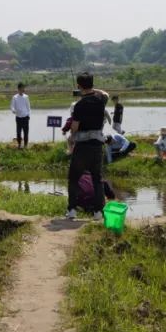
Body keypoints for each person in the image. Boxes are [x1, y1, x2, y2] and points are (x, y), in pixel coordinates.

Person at [65, 72, 110, 221]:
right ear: (92, 84)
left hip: (83, 147)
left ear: (79, 86)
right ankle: (98, 212)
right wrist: (94, 90)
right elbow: (105, 94)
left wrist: (71, 136)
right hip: (97, 146)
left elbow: (75, 128)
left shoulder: (79, 105)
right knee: (97, 179)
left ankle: (72, 210)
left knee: (73, 178)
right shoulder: (101, 101)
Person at [11, 83, 31, 148]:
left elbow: (28, 107)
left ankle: (25, 145)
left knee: (26, 132)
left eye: (24, 88)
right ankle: (19, 144)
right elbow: (12, 106)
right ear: (18, 89)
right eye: (22, 88)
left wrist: (28, 115)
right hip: (18, 117)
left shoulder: (26, 97)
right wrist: (14, 111)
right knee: (18, 132)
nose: (23, 89)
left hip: (25, 117)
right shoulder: (15, 97)